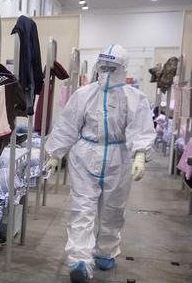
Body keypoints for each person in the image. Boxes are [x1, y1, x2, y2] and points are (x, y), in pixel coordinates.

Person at [43, 45, 155, 283]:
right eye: (102, 67)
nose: (105, 72)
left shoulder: (135, 98)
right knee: (82, 209)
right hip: (85, 155)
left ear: (121, 69)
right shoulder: (83, 94)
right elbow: (67, 125)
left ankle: (106, 250)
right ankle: (80, 260)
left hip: (119, 156)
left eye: (111, 68)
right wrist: (55, 153)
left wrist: (140, 155)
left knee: (112, 210)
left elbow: (142, 128)